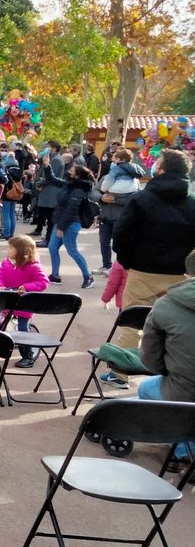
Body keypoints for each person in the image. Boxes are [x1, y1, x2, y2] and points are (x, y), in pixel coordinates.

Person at [110, 148, 195, 358]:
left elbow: (121, 234)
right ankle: (166, 371)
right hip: (179, 273)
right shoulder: (192, 202)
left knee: (132, 321)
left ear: (161, 169)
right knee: (173, 324)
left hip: (143, 269)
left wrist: (126, 260)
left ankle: (121, 371)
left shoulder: (142, 198)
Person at [137, 250, 195, 474]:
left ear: (187, 274)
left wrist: (168, 371)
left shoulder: (166, 304)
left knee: (146, 389)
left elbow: (150, 360)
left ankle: (181, 453)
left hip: (183, 390)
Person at [0, 235, 50, 368]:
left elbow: (43, 282)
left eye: (11, 248)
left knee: (23, 329)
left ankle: (28, 356)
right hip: (8, 299)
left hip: (25, 303)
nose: (8, 250)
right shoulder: (6, 263)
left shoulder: (33, 266)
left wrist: (27, 287)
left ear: (21, 251)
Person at [95, 148, 144, 273]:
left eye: (115, 159)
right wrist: (101, 197)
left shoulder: (134, 181)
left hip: (121, 217)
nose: (112, 162)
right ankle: (106, 265)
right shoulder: (107, 177)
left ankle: (119, 268)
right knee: (103, 242)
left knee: (120, 243)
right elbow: (94, 192)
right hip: (105, 216)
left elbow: (135, 199)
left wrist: (115, 201)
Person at [47, 164, 95, 288]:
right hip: (60, 221)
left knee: (72, 251)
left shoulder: (79, 189)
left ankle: (88, 277)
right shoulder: (69, 184)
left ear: (77, 175)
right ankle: (55, 276)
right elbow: (52, 179)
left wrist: (61, 228)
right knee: (52, 248)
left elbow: (72, 210)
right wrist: (47, 166)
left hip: (70, 223)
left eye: (71, 170)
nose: (69, 171)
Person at [31, 140, 65, 242]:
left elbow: (50, 177)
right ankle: (46, 236)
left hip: (51, 191)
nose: (45, 148)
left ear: (53, 148)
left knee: (50, 217)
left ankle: (49, 238)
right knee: (46, 214)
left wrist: (39, 184)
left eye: (47, 147)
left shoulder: (56, 160)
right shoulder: (52, 158)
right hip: (47, 191)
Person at [0, 148, 23, 240]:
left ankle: (6, 233)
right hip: (16, 193)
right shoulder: (18, 170)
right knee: (12, 213)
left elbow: (4, 181)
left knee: (6, 214)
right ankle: (11, 232)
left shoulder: (7, 170)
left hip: (7, 193)